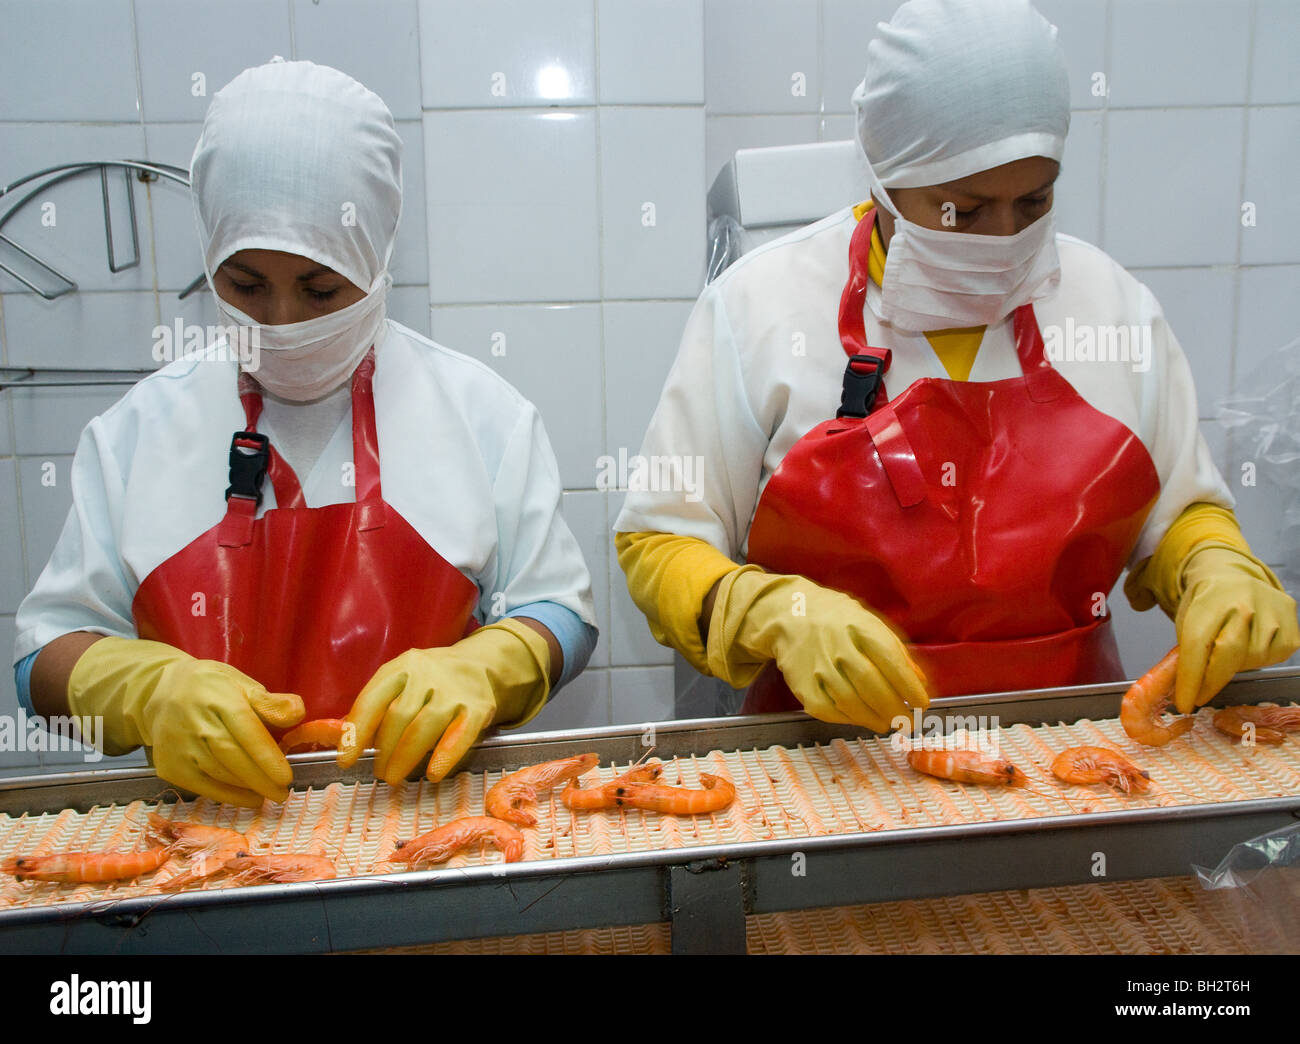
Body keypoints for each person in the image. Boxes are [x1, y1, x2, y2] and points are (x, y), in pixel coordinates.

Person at [613, 0, 1298, 729]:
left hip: (1071, 765)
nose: (1004, 239)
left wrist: (1215, 567)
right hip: (827, 770)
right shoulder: (759, 307)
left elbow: (1180, 511)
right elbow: (660, 540)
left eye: (1033, 203)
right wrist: (776, 611)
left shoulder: (1112, 305)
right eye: (963, 211)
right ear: (882, 176)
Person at [12, 59, 597, 807]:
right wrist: (144, 689)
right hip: (206, 849)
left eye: (321, 289)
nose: (280, 324)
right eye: (245, 284)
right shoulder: (137, 431)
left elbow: (563, 615)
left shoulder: (481, 415)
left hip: (422, 831)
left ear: (378, 260)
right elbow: (40, 663)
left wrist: (490, 663)